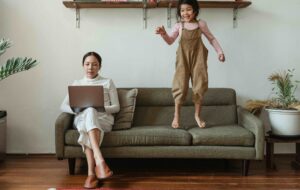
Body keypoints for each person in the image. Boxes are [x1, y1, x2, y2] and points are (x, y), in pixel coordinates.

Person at [155, 0, 225, 129]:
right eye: (182, 10)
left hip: (199, 59)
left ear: (195, 10)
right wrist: (164, 34)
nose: (185, 13)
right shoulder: (179, 26)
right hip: (183, 60)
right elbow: (170, 41)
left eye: (188, 9)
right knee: (180, 86)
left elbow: (211, 39)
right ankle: (176, 116)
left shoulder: (200, 24)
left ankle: (197, 116)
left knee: (199, 86)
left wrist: (219, 52)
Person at [60, 51, 120, 189]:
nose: (90, 67)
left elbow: (116, 107)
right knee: (88, 111)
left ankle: (91, 174)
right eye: (87, 64)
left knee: (91, 112)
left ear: (100, 66)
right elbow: (62, 105)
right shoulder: (77, 83)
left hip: (103, 119)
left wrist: (100, 107)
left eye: (94, 64)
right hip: (82, 117)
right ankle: (100, 161)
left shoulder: (107, 82)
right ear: (82, 65)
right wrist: (77, 109)